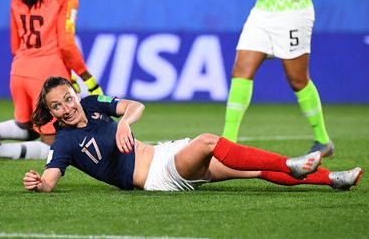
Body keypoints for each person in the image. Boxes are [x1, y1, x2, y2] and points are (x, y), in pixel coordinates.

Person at [23, 77, 362, 193]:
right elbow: (51, 179)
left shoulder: (93, 102)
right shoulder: (64, 142)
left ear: (74, 93)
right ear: (51, 113)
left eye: (68, 98)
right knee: (209, 141)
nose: (67, 107)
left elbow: (135, 106)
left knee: (256, 169)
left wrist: (125, 121)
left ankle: (333, 178)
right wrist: (39, 184)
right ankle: (292, 162)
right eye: (57, 106)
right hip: (157, 177)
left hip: (166, 153)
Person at [0, 0, 103, 161]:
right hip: (46, 74)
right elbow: (66, 45)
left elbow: (15, 45)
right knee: (53, 146)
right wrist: (88, 79)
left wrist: (66, 73)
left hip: (19, 70)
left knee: (28, 126)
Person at [221, 0, 334, 157]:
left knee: (298, 80)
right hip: (263, 10)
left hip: (293, 10)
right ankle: (228, 141)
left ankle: (323, 141)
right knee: (241, 71)